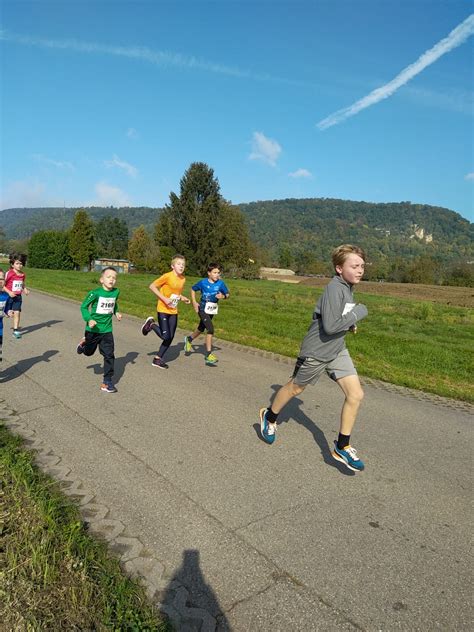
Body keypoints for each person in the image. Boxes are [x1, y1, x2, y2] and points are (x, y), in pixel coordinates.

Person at [259, 244, 369, 472]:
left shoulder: (347, 287)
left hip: (337, 350)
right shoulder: (334, 288)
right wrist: (359, 312)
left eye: (362, 266)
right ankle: (269, 418)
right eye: (354, 265)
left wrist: (350, 323)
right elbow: (330, 326)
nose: (360, 270)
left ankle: (342, 445)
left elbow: (336, 318)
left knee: (356, 394)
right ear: (339, 268)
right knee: (295, 389)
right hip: (317, 351)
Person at [76, 267, 122, 393]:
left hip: (107, 330)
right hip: (93, 329)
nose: (112, 280)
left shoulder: (116, 292)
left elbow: (114, 303)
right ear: (102, 280)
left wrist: (116, 312)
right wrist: (89, 319)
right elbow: (84, 307)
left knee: (109, 355)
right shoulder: (95, 293)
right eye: (109, 277)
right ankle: (83, 344)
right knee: (88, 353)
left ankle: (107, 381)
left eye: (114, 277)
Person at [141, 254, 191, 369]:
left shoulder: (183, 279)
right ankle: (151, 324)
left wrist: (183, 298)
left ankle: (157, 359)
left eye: (183, 264)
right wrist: (164, 299)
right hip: (163, 309)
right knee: (165, 336)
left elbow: (176, 293)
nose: (181, 266)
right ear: (172, 266)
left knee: (170, 336)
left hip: (173, 310)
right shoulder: (167, 276)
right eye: (179, 264)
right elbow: (152, 286)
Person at [184, 263, 230, 366]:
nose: (217, 275)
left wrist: (222, 296)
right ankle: (208, 355)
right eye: (214, 272)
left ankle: (189, 339)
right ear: (209, 273)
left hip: (211, 310)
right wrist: (194, 302)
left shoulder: (221, 284)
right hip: (202, 309)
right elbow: (193, 289)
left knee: (201, 328)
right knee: (210, 329)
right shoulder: (203, 283)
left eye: (218, 272)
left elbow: (227, 294)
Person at [4, 253, 29, 338]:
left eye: (21, 263)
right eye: (17, 263)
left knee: (17, 313)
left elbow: (22, 284)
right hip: (8, 296)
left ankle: (16, 330)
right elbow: (2, 284)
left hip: (18, 297)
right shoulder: (9, 273)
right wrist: (9, 292)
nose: (19, 265)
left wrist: (24, 289)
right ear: (12, 264)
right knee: (5, 313)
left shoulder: (22, 274)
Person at [0, 268, 14, 362]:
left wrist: (8, 312)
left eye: (2, 279)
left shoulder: (6, 296)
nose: (0, 281)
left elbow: (6, 309)